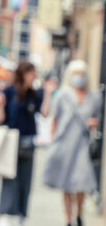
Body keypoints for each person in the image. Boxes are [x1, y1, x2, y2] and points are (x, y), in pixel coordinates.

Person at [42, 59, 100, 226]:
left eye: (81, 74)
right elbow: (54, 118)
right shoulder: (62, 95)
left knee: (82, 181)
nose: (79, 77)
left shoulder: (93, 96)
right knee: (66, 183)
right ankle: (68, 219)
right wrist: (53, 142)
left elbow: (97, 118)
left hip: (82, 143)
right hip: (65, 143)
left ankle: (79, 214)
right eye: (75, 74)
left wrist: (93, 123)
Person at [0, 59, 51, 226]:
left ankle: (21, 214)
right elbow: (0, 118)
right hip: (11, 139)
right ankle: (5, 213)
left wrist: (47, 93)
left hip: (28, 141)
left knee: (25, 180)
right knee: (9, 177)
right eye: (30, 72)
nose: (33, 76)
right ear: (23, 73)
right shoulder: (9, 92)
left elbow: (45, 113)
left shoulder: (34, 94)